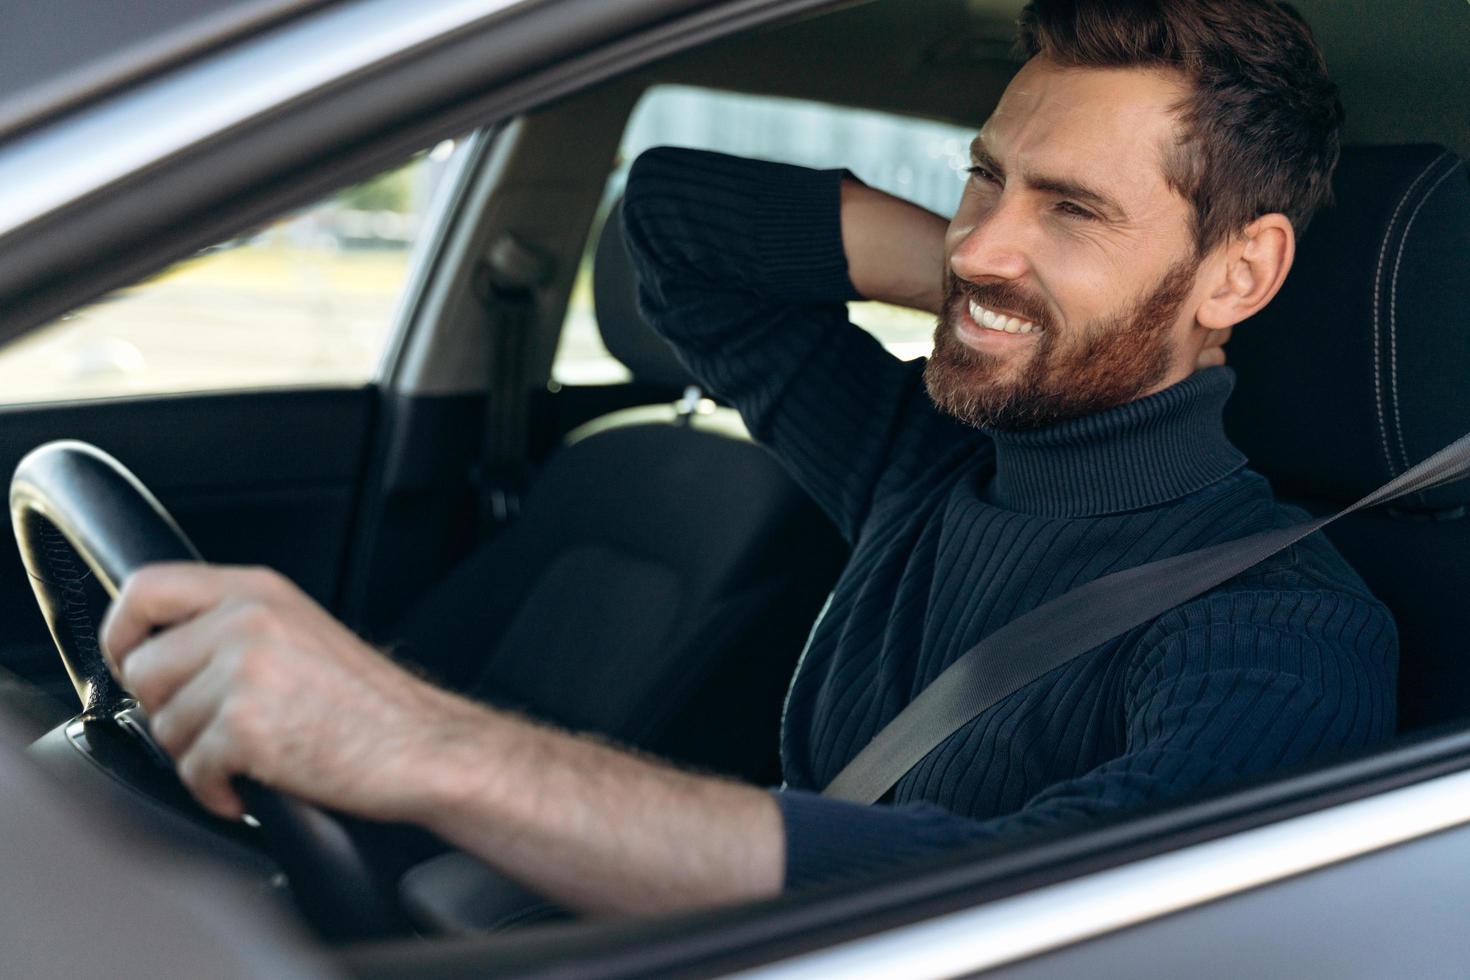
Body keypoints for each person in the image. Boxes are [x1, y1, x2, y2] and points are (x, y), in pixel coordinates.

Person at [99, 0, 1396, 917]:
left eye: (1073, 207)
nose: (984, 239)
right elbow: (670, 227)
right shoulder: (926, 458)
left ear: (1240, 271)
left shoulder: (1276, 631)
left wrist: (430, 745)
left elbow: (1051, 905)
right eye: (983, 180)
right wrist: (996, 291)